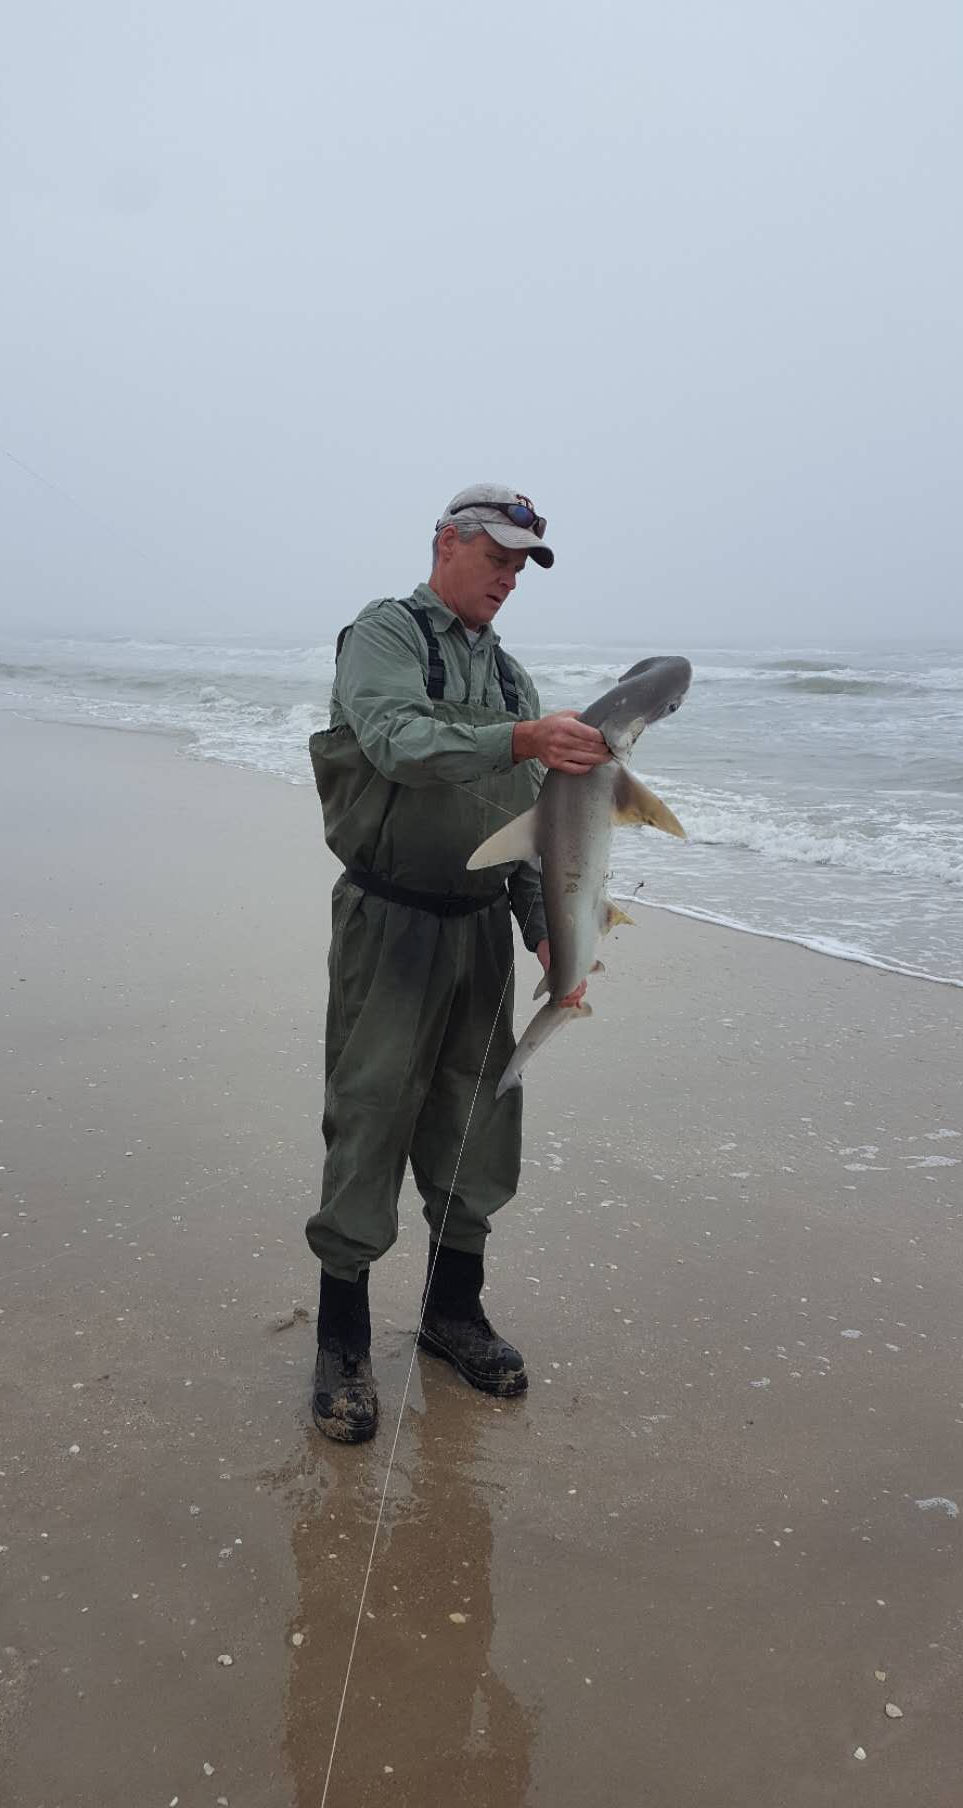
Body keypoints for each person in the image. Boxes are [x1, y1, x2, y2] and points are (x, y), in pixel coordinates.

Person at [306, 483, 611, 1442]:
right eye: (499, 557)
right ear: (447, 543)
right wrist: (522, 738)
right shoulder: (387, 635)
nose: (510, 578)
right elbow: (396, 741)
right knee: (372, 1113)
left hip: (482, 927)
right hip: (391, 920)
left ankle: (452, 1313)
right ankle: (343, 1340)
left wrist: (543, 926)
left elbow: (526, 824)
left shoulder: (514, 677)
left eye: (522, 565)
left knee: (480, 1123)